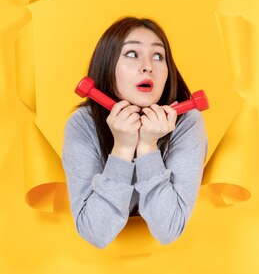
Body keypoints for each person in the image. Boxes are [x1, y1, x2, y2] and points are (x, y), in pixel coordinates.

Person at [62, 17, 208, 249]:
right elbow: (95, 233)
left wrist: (148, 147)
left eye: (158, 56)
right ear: (108, 66)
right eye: (132, 53)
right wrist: (122, 149)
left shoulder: (187, 121)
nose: (148, 65)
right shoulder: (83, 124)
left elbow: (169, 229)